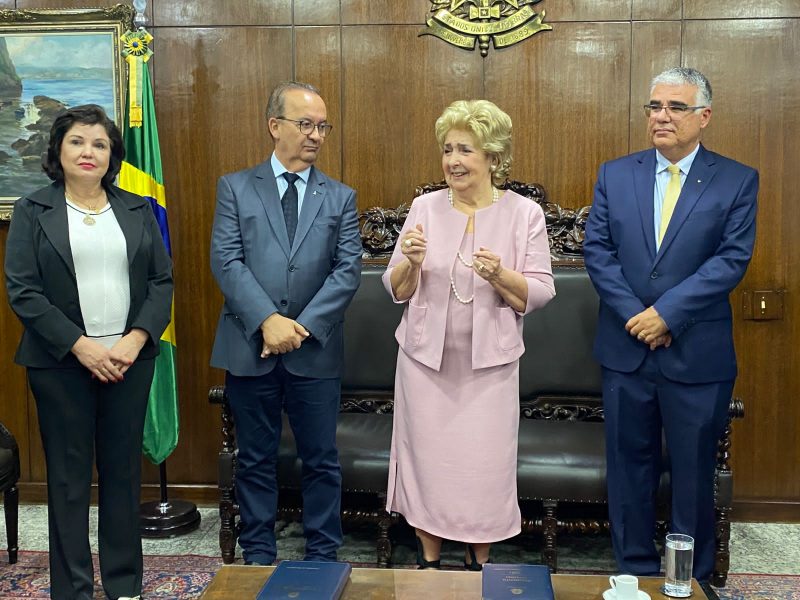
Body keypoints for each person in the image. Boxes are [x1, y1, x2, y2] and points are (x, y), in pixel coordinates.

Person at [583, 67, 758, 582]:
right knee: (629, 472)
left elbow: (731, 260)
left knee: (692, 475)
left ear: (703, 117)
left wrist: (667, 315)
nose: (661, 116)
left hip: (696, 354)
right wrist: (639, 318)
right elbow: (598, 251)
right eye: (654, 106)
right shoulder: (616, 173)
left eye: (675, 108)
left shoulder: (737, 179)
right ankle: (633, 574)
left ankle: (691, 581)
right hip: (625, 349)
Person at [4, 104, 173, 600]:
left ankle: (124, 585)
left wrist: (136, 339)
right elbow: (23, 291)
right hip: (59, 365)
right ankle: (72, 589)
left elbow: (161, 282)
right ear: (59, 149)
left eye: (100, 144)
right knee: (69, 480)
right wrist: (81, 347)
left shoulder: (137, 209)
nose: (88, 152)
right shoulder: (33, 211)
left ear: (111, 156)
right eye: (78, 141)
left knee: (122, 476)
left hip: (129, 362)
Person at [383, 99, 556, 570]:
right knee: (429, 464)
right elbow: (395, 289)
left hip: (489, 370)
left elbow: (539, 292)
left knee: (482, 469)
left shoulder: (524, 214)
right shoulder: (424, 207)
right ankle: (430, 558)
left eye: (465, 150)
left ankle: (479, 560)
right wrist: (412, 263)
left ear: (494, 157)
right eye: (447, 150)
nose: (453, 161)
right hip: (423, 365)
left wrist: (501, 275)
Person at [210, 81, 362, 565]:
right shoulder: (235, 186)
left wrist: (298, 327)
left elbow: (347, 270)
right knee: (254, 459)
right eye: (305, 124)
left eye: (322, 126)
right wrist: (268, 321)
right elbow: (227, 261)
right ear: (275, 126)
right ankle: (258, 552)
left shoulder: (340, 197)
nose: (315, 135)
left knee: (320, 459)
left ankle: (322, 553)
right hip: (249, 345)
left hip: (314, 350)